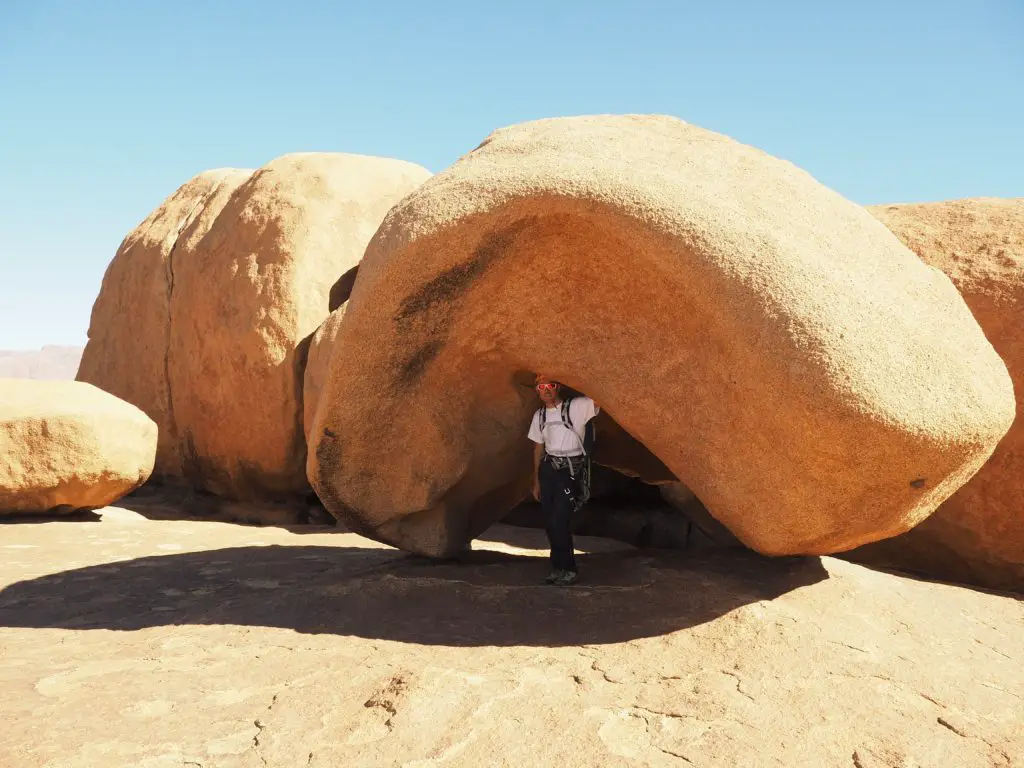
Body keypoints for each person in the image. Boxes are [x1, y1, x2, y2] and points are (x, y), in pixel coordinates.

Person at [527, 374, 599, 586]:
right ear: (537, 391)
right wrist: (536, 480)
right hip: (548, 469)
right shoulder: (539, 416)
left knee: (560, 520)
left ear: (558, 387)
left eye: (550, 385)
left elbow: (600, 397)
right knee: (550, 521)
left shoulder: (576, 407)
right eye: (541, 387)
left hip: (569, 470)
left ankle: (568, 569)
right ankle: (557, 568)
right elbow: (538, 447)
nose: (546, 390)